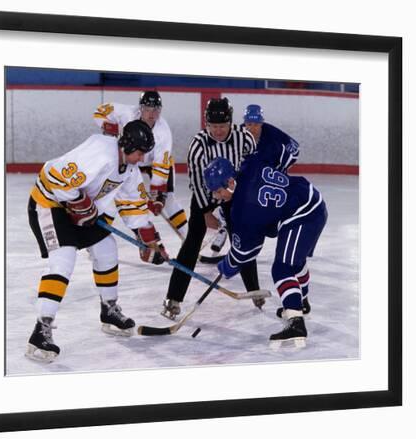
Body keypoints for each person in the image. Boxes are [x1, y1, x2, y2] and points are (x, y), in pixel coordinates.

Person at [25, 120, 169, 362]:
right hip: (50, 204)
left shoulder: (130, 170)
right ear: (126, 145)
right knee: (63, 260)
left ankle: (109, 310)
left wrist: (149, 240)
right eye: (139, 152)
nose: (141, 158)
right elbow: (52, 175)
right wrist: (79, 201)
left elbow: (133, 206)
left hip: (82, 211)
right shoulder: (100, 151)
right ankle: (41, 330)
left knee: (106, 250)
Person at [203, 156, 327, 347]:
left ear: (230, 182)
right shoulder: (250, 164)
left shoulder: (244, 209)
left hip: (302, 214)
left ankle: (296, 323)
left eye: (219, 191)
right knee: (296, 261)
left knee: (282, 268)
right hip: (311, 198)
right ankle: (301, 303)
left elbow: (246, 253)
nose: (218, 197)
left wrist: (226, 266)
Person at [161, 97, 261, 320]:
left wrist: (243, 199)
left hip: (234, 193)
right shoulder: (198, 145)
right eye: (213, 126)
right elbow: (196, 182)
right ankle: (173, 299)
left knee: (241, 239)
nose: (217, 131)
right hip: (205, 194)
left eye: (222, 126)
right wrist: (206, 212)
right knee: (191, 245)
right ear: (206, 124)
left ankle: (254, 290)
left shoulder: (244, 139)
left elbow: (252, 170)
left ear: (231, 123)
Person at [93, 91, 188, 237]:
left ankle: (188, 237)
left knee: (168, 199)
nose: (151, 114)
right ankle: (97, 237)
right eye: (147, 109)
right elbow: (100, 111)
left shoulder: (163, 132)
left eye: (155, 109)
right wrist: (113, 128)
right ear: (140, 108)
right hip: (131, 159)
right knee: (111, 196)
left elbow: (161, 165)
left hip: (152, 163)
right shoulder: (126, 113)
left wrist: (158, 195)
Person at [242, 104, 300, 172]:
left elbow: (295, 149)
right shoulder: (237, 134)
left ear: (261, 123)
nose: (252, 128)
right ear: (245, 123)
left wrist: (280, 170)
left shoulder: (272, 134)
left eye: (256, 124)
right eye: (249, 124)